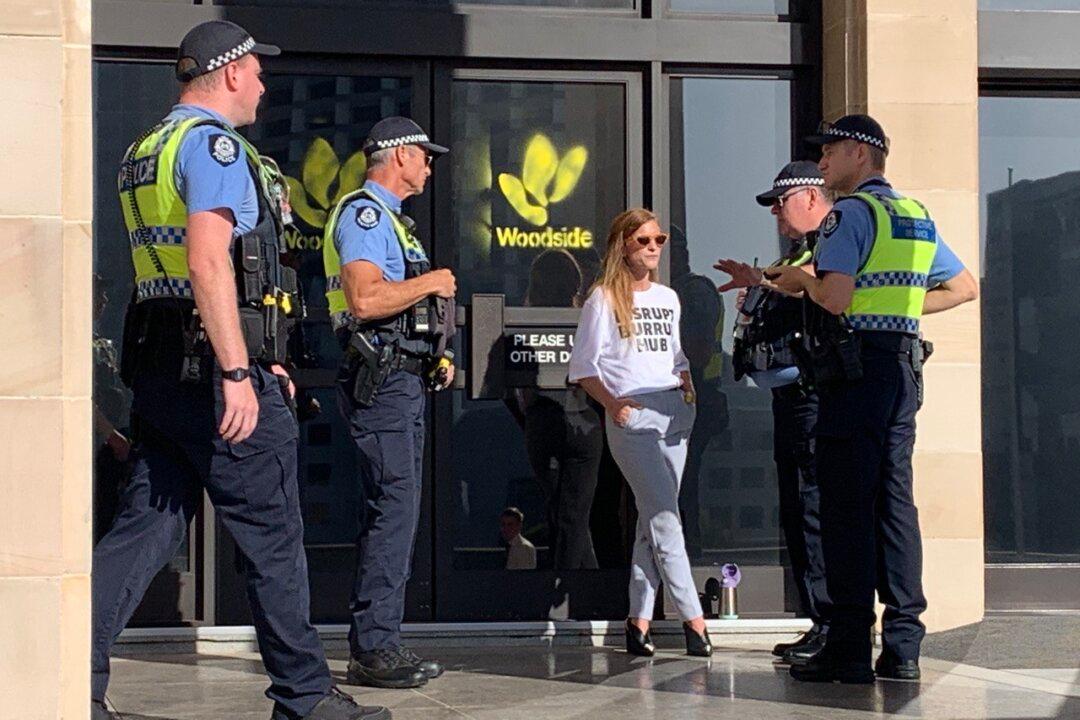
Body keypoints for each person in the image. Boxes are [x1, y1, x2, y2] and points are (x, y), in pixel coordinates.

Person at [93, 20, 385, 720]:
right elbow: (207, 260)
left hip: (162, 363)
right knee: (273, 536)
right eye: (256, 71)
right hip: (210, 364)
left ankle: (66, 676)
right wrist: (235, 369)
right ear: (228, 73)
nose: (261, 83)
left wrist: (261, 357)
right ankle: (306, 696)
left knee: (143, 531)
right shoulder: (214, 146)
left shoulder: (147, 148)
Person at [768, 115, 978, 684]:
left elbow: (834, 299)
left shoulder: (848, 214)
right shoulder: (914, 215)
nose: (825, 162)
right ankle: (905, 645)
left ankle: (850, 649)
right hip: (902, 369)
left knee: (844, 508)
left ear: (862, 155)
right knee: (895, 504)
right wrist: (904, 312)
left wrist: (800, 283)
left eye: (831, 151)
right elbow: (963, 287)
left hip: (856, 372)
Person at [322, 116, 456, 691]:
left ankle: (381, 640)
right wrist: (434, 284)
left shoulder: (396, 225)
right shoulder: (366, 215)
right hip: (381, 386)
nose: (429, 165)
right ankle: (374, 647)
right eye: (424, 155)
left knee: (396, 510)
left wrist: (435, 353)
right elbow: (365, 297)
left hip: (403, 381)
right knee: (393, 510)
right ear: (398, 156)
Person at [568, 208, 713, 659]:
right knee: (666, 518)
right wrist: (613, 405)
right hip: (633, 416)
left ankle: (639, 620)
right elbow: (583, 369)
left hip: (674, 411)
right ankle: (694, 620)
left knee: (653, 518)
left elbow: (674, 353)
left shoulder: (669, 298)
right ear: (623, 246)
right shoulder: (603, 300)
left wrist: (686, 381)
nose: (653, 249)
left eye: (659, 240)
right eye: (643, 241)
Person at [714, 161, 833, 664]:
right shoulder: (796, 255)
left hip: (816, 399)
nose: (778, 218)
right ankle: (819, 621)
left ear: (809, 197)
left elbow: (813, 282)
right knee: (797, 510)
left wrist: (763, 280)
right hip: (789, 400)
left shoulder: (831, 241)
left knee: (813, 510)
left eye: (781, 205)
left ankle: (832, 623)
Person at [512, 249, 603, 570]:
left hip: (542, 422)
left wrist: (529, 420)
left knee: (563, 511)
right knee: (574, 514)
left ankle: (573, 591)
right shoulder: (587, 322)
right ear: (574, 282)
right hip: (583, 422)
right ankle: (577, 592)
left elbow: (513, 384)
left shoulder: (524, 324)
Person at [668, 226, 728, 561]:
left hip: (697, 396)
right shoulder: (672, 290)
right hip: (682, 398)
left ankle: (691, 559)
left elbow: (699, 350)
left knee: (684, 486)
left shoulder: (692, 292)